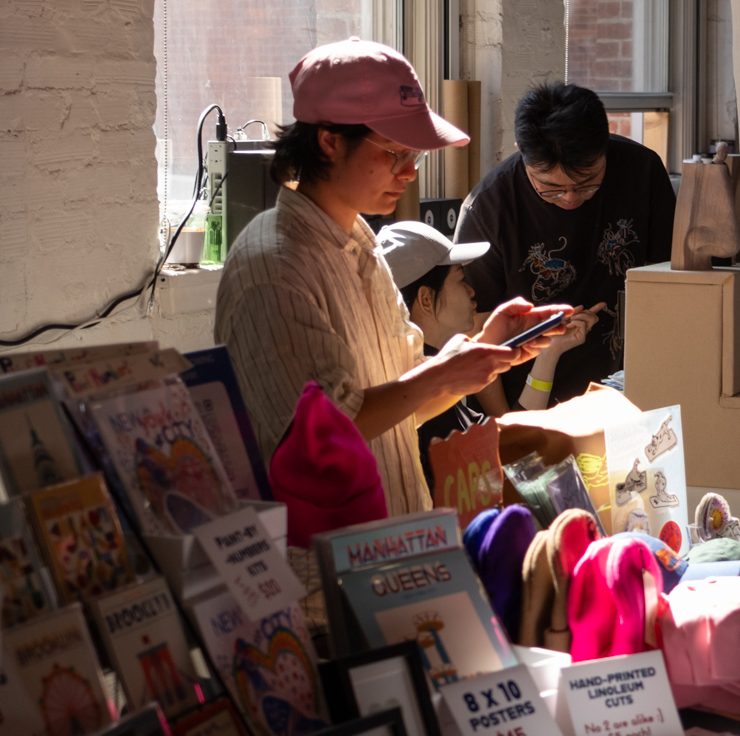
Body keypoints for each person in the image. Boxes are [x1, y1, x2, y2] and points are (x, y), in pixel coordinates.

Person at [215, 39, 571, 524]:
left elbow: (404, 404)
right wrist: (444, 372)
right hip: (322, 558)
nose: (409, 173)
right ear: (329, 142)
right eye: (394, 153)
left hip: (394, 541)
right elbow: (326, 435)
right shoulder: (275, 267)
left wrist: (485, 352)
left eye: (414, 155)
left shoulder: (358, 243)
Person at [454, 81, 676, 406]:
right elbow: (475, 332)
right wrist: (505, 426)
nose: (570, 197)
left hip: (626, 383)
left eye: (587, 184)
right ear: (521, 152)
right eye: (550, 188)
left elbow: (671, 284)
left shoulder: (641, 170)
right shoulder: (490, 207)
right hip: (527, 394)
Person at [377, 220, 603, 485]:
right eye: (461, 279)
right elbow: (510, 456)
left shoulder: (420, 373)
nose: (472, 291)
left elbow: (508, 440)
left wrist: (549, 352)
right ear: (426, 299)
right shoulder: (424, 391)